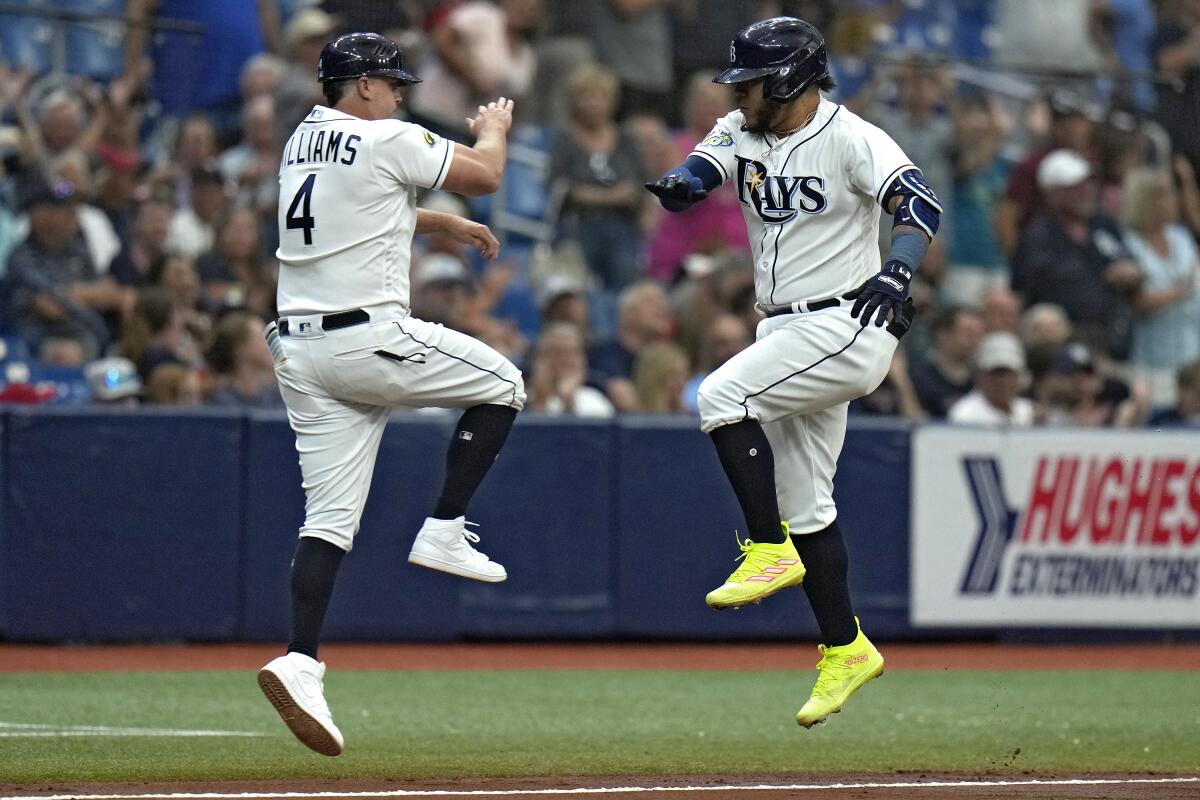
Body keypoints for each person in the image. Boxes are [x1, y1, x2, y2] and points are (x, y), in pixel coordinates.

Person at [646, 17, 936, 728]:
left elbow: (917, 204)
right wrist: (680, 185)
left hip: (847, 320)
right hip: (783, 323)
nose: (738, 93)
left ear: (789, 80)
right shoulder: (740, 128)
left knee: (720, 394)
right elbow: (703, 169)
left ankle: (767, 548)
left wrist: (898, 269)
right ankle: (847, 647)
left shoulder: (851, 137)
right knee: (810, 503)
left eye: (749, 81)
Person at [256, 32, 525, 758]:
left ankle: (301, 660)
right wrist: (494, 129)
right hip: (363, 339)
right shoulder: (387, 138)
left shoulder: (302, 142)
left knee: (329, 521)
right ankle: (443, 527)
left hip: (300, 349)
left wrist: (441, 223)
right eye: (393, 82)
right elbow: (489, 174)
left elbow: (361, 210)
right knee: (505, 382)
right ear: (365, 85)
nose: (402, 93)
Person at [947, 332, 1035, 427]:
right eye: (996, 373)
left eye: (1009, 374)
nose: (1002, 381)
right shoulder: (964, 415)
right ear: (979, 375)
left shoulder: (1029, 412)